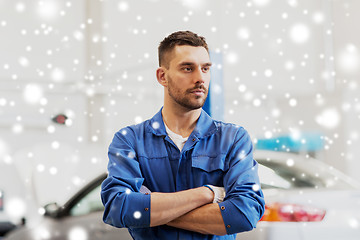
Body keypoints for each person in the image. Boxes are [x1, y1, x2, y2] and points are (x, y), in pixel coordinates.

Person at [101, 30, 265, 240]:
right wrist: (208, 193)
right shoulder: (130, 141)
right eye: (188, 68)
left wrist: (152, 210)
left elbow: (244, 214)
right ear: (162, 76)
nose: (200, 78)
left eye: (205, 69)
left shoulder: (233, 139)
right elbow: (118, 208)